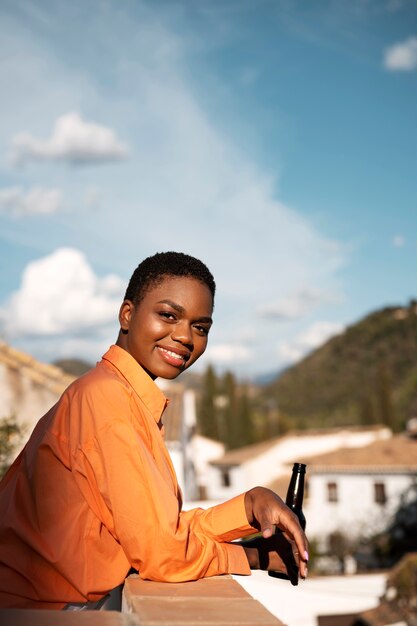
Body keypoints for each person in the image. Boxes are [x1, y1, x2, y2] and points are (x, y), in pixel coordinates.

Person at [0, 251, 308, 610]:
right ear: (127, 314)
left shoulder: (120, 396)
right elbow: (163, 553)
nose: (184, 337)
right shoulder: (107, 401)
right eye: (168, 315)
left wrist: (250, 507)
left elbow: (160, 530)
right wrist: (255, 557)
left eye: (200, 327)